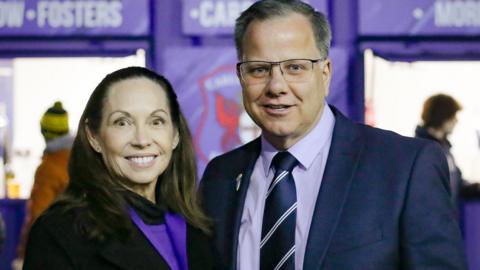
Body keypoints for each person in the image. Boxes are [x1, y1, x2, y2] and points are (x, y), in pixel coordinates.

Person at [200, 1, 467, 269]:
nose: (277, 86)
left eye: (295, 67)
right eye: (259, 69)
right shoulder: (219, 178)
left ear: (325, 74)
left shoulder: (405, 167)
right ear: (241, 76)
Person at [23, 67, 213, 269]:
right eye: (122, 123)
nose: (142, 140)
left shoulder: (198, 226)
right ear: (93, 136)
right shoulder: (59, 233)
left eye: (156, 121)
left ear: (175, 134)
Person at [14, 101, 73, 268]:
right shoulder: (80, 160)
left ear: (44, 132)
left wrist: (24, 255)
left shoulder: (48, 169)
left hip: (51, 252)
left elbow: (38, 216)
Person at [415, 94, 480, 207]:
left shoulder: (445, 149)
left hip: (446, 221)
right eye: (453, 115)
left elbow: (457, 185)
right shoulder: (422, 150)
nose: (456, 120)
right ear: (442, 116)